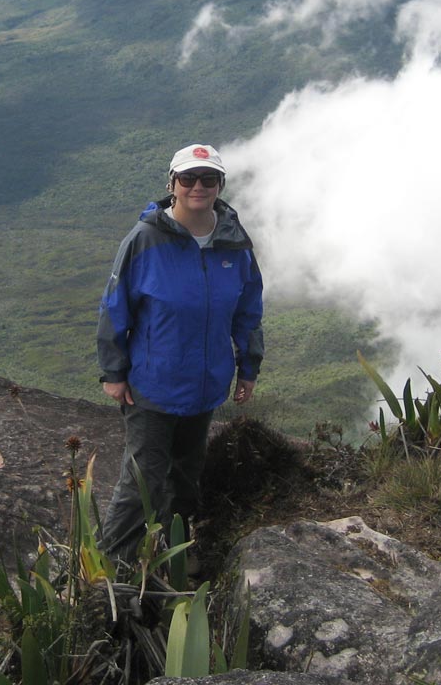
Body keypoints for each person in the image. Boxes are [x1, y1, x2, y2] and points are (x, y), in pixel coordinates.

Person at [97, 142, 264, 564]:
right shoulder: (145, 240)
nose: (197, 187)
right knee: (142, 484)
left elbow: (247, 309)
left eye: (208, 179)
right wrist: (113, 372)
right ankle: (110, 572)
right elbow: (115, 307)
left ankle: (173, 558)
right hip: (153, 386)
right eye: (188, 178)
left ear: (220, 185)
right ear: (171, 184)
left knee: (185, 479)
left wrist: (249, 368)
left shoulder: (234, 243)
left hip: (205, 386)